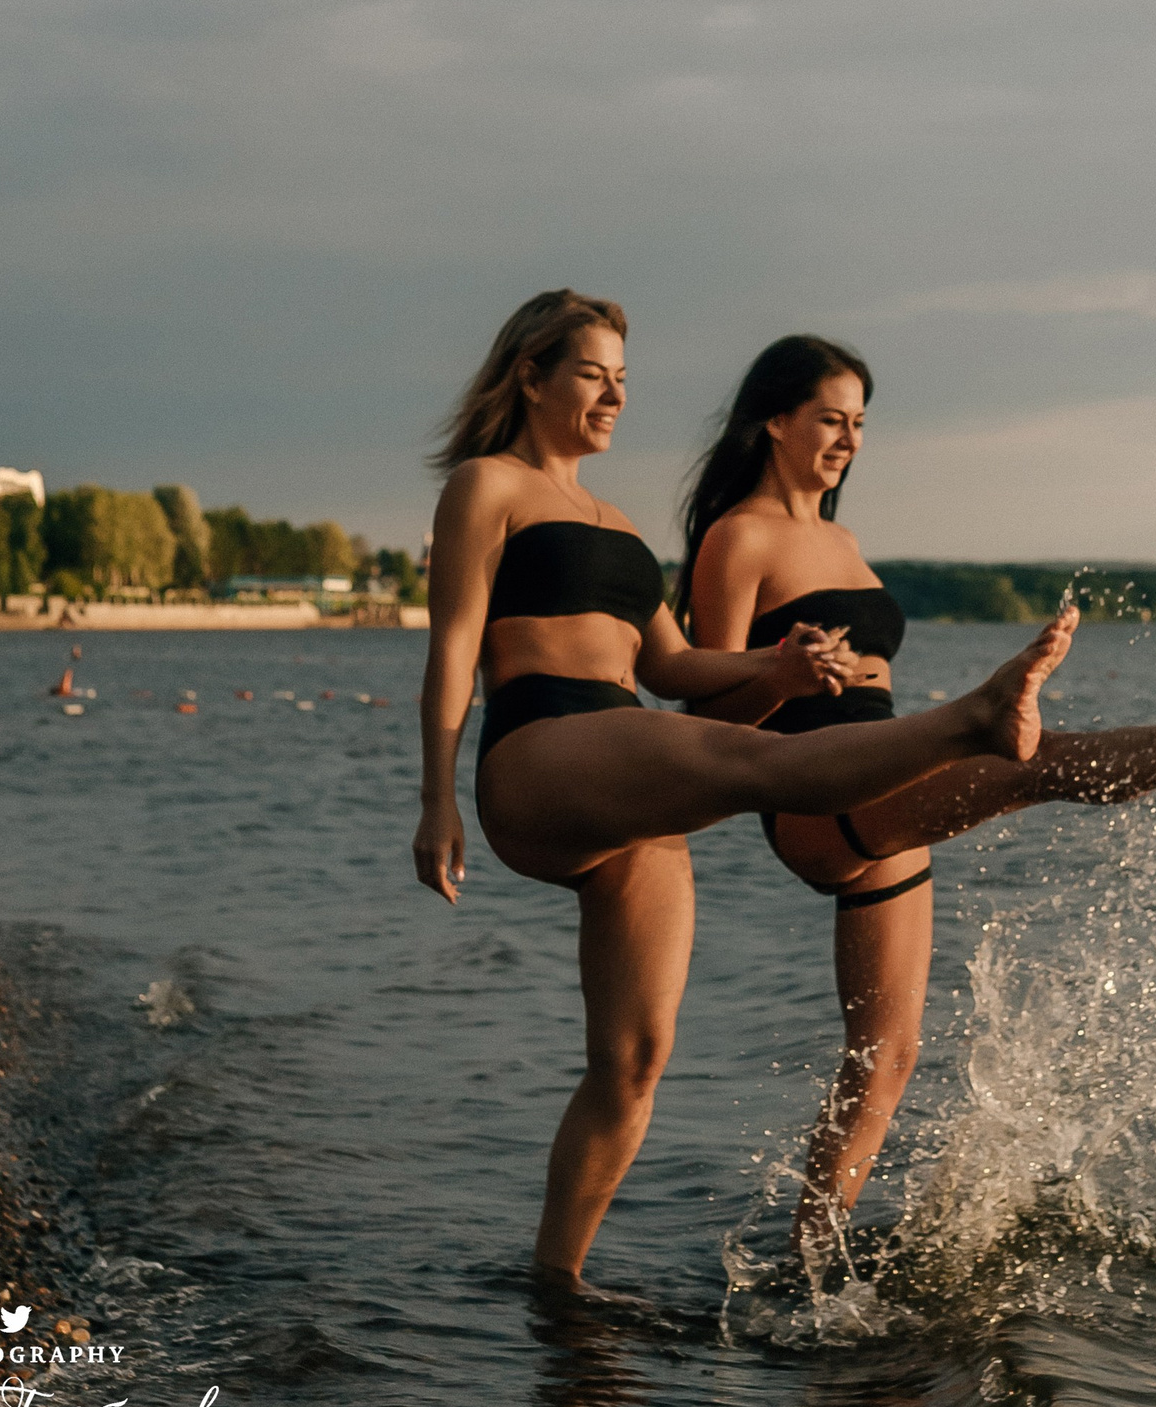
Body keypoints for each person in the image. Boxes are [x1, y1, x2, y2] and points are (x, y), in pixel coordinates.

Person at [678, 335, 1156, 1278]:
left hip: (889, 785)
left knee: (887, 1056)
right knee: (1038, 763)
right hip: (817, 792)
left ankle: (813, 1263)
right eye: (830, 419)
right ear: (774, 419)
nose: (849, 438)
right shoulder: (739, 538)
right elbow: (704, 718)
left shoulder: (841, 540)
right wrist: (784, 675)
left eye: (860, 423)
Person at [411, 290, 1078, 1296]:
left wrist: (784, 672)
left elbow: (677, 670)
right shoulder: (487, 485)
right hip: (539, 752)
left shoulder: (617, 523)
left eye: (622, 380)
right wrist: (437, 797)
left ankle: (556, 1286)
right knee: (748, 767)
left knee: (633, 1062)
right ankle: (969, 726)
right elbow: (455, 644)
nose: (612, 395)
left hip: (620, 776)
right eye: (591, 373)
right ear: (530, 377)